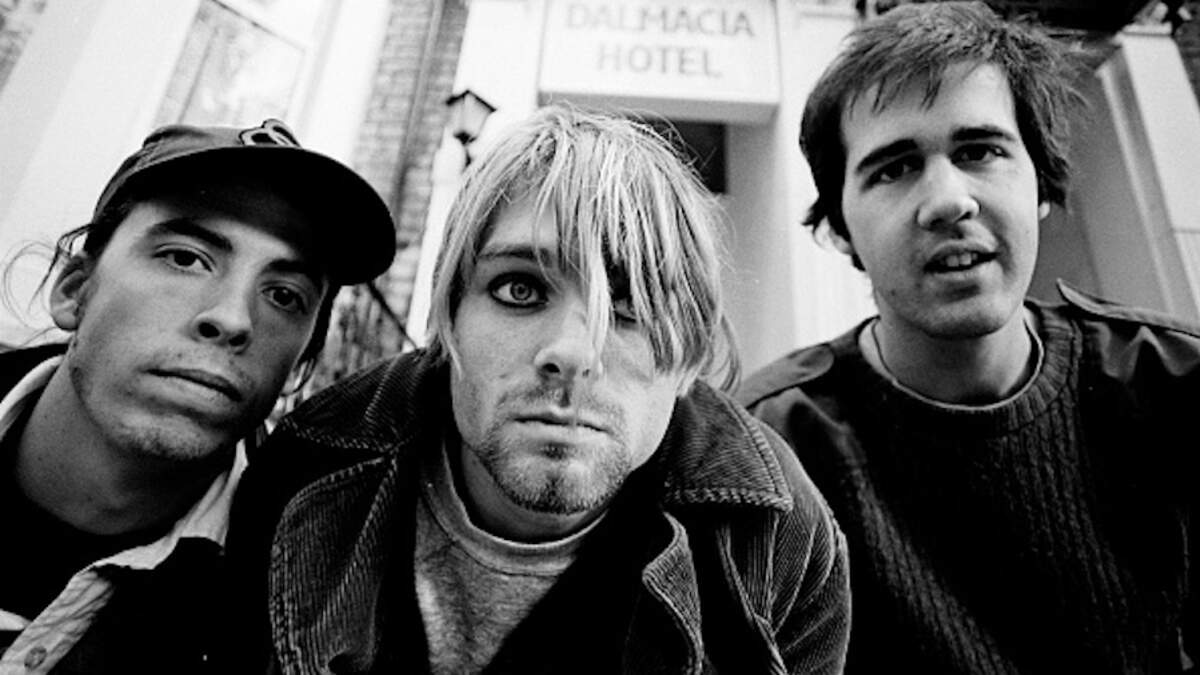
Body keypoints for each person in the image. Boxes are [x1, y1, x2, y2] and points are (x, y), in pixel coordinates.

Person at [227, 104, 850, 674]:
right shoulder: (305, 468)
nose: (573, 353)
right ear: (449, 321)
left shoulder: (782, 541)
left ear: (689, 353)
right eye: (519, 289)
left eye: (631, 305)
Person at [738, 2, 1199, 673]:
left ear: (1042, 184)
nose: (948, 201)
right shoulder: (768, 452)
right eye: (894, 167)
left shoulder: (1176, 385)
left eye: (980, 151)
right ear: (839, 229)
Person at [0, 118, 395, 673]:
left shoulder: (298, 614)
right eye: (185, 258)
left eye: (284, 295)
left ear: (300, 364)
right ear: (75, 291)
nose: (233, 319)